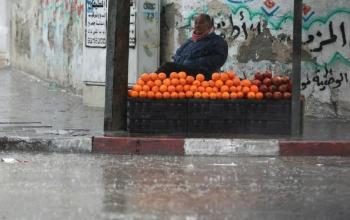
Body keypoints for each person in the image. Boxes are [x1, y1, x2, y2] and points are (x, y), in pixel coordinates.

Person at [157, 13, 228, 79]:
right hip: (184, 73)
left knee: (168, 67)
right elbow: (177, 54)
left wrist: (189, 62)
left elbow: (217, 60)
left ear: (209, 25)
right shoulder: (190, 41)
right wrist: (182, 62)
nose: (197, 25)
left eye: (201, 23)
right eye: (196, 23)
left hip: (202, 76)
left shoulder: (217, 41)